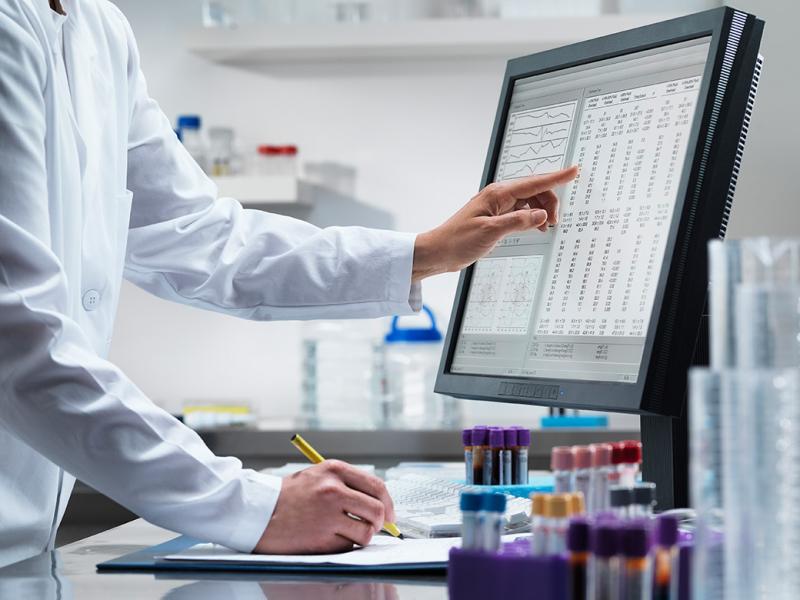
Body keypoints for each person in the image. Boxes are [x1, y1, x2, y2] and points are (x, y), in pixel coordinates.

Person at [0, 0, 578, 567]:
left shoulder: (99, 26)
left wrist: (428, 252)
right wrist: (256, 508)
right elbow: (19, 340)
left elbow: (205, 239)